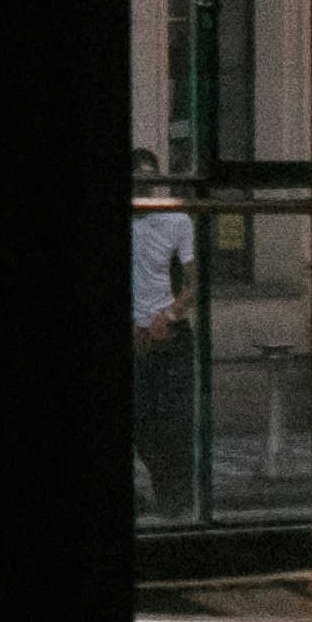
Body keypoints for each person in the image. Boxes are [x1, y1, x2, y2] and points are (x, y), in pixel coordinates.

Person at [130, 150, 199, 514]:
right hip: (137, 333)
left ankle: (176, 500)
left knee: (173, 422)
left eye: (150, 178)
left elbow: (193, 281)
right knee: (140, 421)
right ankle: (165, 492)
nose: (146, 186)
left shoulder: (175, 220)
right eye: (139, 178)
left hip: (169, 333)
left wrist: (168, 317)